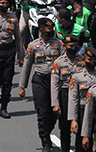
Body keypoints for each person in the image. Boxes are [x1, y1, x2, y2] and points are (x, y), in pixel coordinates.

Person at [19, 18, 63, 149]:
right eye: (49, 29)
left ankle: (47, 131)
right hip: (40, 81)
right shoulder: (33, 46)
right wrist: (22, 86)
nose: (51, 31)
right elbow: (26, 67)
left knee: (54, 112)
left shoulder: (58, 44)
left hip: (55, 82)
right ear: (42, 30)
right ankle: (45, 141)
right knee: (42, 112)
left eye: (52, 29)